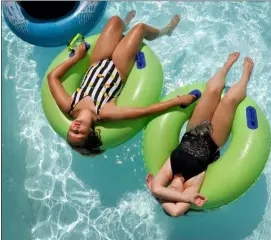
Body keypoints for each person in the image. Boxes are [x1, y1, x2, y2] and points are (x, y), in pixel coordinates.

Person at [47, 11, 199, 156]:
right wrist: (179, 100)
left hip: (97, 62)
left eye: (71, 131)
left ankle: (124, 24)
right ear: (91, 132)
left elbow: (52, 77)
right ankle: (165, 31)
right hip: (119, 68)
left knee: (114, 20)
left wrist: (77, 58)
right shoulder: (104, 112)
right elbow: (144, 111)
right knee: (140, 28)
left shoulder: (69, 106)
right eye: (79, 133)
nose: (75, 128)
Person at [146, 52, 254, 217]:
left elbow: (156, 188)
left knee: (212, 89)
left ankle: (226, 66)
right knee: (230, 99)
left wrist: (158, 195)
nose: (173, 193)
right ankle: (246, 75)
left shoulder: (169, 170)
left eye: (170, 195)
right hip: (213, 139)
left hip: (193, 130)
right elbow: (175, 212)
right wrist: (186, 198)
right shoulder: (192, 186)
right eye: (177, 198)